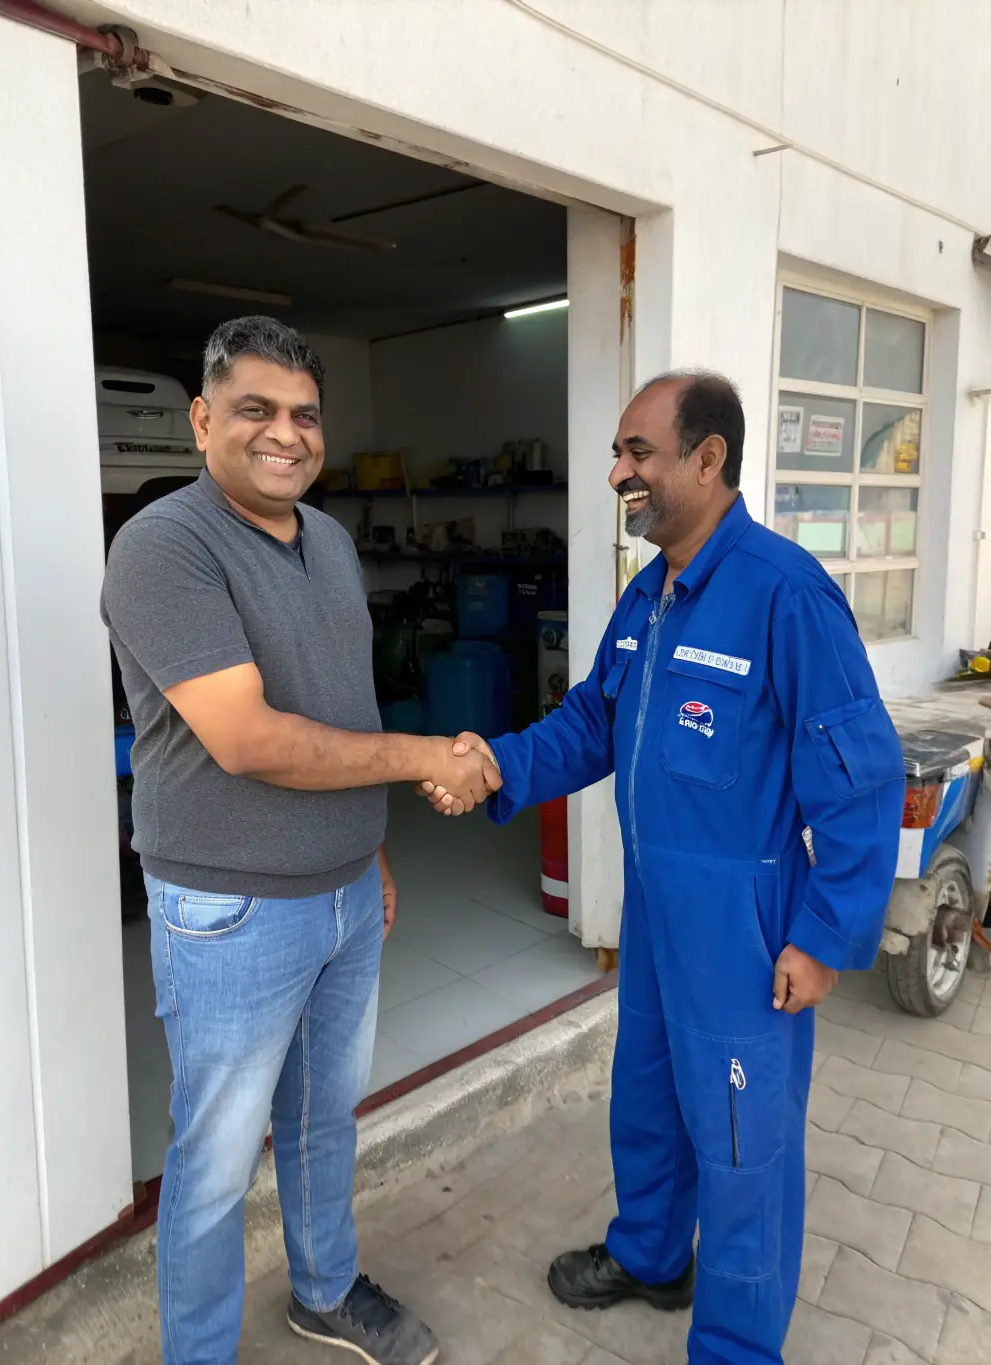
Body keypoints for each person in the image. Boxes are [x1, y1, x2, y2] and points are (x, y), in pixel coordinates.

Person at [422, 371, 904, 1365]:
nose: (617, 472)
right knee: (646, 1099)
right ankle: (650, 1256)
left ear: (707, 459)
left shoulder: (784, 594)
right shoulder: (649, 595)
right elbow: (591, 721)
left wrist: (822, 937)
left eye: (637, 452)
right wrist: (496, 765)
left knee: (741, 1145)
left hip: (743, 926)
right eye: (618, 453)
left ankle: (735, 1347)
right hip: (655, 914)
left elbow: (861, 778)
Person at [102, 315, 499, 1365]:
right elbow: (249, 738)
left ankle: (324, 1290)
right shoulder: (165, 547)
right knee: (216, 1159)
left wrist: (370, 845)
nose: (286, 434)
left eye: (305, 415)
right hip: (232, 910)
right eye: (256, 409)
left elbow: (340, 703)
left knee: (327, 1116)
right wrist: (426, 757)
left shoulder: (327, 539)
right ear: (202, 421)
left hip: (345, 893)